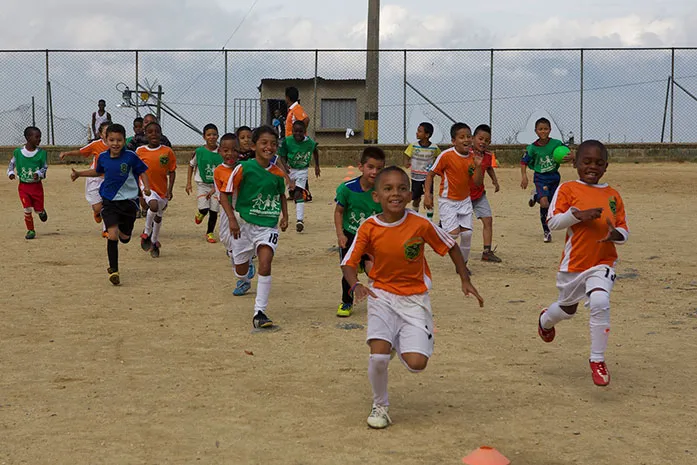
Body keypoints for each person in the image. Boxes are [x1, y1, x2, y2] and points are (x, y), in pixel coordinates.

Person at [341, 166, 484, 429]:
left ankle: (396, 342)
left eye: (401, 188)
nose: (395, 194)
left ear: (409, 195)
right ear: (376, 196)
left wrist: (465, 278)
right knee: (379, 357)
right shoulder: (368, 227)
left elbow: (450, 245)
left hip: (415, 299)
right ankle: (380, 406)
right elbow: (348, 263)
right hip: (381, 295)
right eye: (388, 189)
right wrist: (355, 285)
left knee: (417, 364)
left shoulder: (420, 223)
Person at [537, 140, 628, 387]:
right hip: (574, 265)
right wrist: (576, 215)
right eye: (586, 162)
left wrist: (616, 235)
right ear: (576, 163)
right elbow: (553, 222)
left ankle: (597, 360)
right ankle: (545, 320)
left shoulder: (613, 195)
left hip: (603, 262)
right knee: (567, 310)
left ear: (606, 166)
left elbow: (623, 230)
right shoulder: (567, 189)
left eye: (598, 163)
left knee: (600, 300)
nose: (592, 167)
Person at [223, 126, 289, 329]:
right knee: (241, 269)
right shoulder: (243, 168)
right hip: (243, 225)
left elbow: (281, 195)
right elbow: (224, 194)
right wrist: (232, 220)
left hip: (267, 226)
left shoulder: (278, 173)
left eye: (273, 144)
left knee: (266, 261)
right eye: (264, 143)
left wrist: (285, 216)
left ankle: (259, 311)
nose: (269, 147)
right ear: (253, 146)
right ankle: (243, 272)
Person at [70, 123, 150, 285]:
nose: (115, 143)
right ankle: (114, 270)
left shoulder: (131, 157)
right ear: (105, 140)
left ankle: (124, 232)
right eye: (111, 139)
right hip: (109, 201)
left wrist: (146, 187)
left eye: (119, 140)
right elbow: (98, 172)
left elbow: (142, 171)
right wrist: (79, 174)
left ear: (123, 140)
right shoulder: (103, 157)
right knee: (112, 234)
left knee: (125, 237)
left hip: (129, 202)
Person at [423, 123, 484, 272]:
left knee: (468, 234)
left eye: (469, 137)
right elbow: (430, 174)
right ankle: (437, 229)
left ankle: (462, 265)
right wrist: (427, 195)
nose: (466, 140)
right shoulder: (446, 155)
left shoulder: (473, 157)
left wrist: (478, 166)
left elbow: (477, 182)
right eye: (462, 137)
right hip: (448, 200)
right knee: (453, 235)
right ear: (453, 141)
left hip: (464, 200)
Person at [334, 147, 385, 317]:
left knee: (375, 270)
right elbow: (339, 212)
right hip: (350, 236)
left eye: (379, 168)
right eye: (370, 167)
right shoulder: (347, 188)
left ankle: (380, 300)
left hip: (373, 239)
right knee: (349, 269)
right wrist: (340, 234)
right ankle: (346, 302)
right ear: (361, 167)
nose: (374, 172)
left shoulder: (383, 192)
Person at [214, 133, 256, 294]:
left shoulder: (244, 168)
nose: (229, 154)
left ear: (239, 151)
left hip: (242, 212)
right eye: (225, 150)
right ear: (220, 151)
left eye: (233, 150)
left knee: (240, 243)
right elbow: (222, 193)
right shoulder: (218, 171)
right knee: (227, 241)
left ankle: (243, 280)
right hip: (226, 212)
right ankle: (245, 265)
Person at [521, 117, 573, 243]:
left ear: (550, 130)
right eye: (540, 129)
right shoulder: (533, 148)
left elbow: (568, 153)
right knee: (544, 203)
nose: (543, 132)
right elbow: (523, 162)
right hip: (540, 177)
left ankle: (536, 195)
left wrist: (572, 156)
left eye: (545, 129)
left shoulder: (556, 144)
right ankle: (546, 231)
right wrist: (524, 176)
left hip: (554, 176)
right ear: (536, 131)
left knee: (550, 204)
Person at [60, 121, 110, 233]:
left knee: (108, 205)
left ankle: (106, 229)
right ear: (100, 134)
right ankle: (97, 212)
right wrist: (67, 153)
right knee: (98, 207)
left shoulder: (117, 146)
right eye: (106, 132)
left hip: (108, 179)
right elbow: (81, 151)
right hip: (95, 178)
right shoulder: (96, 145)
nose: (108, 135)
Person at [136, 121, 177, 258]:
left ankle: (154, 241)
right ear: (145, 134)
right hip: (147, 187)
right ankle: (146, 232)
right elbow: (136, 171)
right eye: (150, 132)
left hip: (162, 189)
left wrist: (169, 190)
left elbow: (172, 171)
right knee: (152, 205)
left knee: (159, 216)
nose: (154, 134)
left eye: (157, 132)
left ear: (161, 134)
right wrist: (138, 190)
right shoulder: (140, 151)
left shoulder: (167, 151)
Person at [7, 127, 48, 239]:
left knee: (38, 209)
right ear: (28, 138)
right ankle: (30, 230)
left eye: (40, 137)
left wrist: (39, 173)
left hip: (36, 187)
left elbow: (44, 168)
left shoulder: (42, 153)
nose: (39, 140)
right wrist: (10, 172)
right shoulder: (18, 152)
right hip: (24, 186)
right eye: (37, 137)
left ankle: (41, 211)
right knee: (27, 208)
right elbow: (11, 164)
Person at [278, 120, 320, 232]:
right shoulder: (287, 141)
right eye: (295, 131)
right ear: (292, 131)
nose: (298, 134)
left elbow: (315, 151)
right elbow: (282, 155)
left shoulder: (309, 142)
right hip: (290, 170)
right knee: (292, 192)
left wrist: (317, 166)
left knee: (298, 193)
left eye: (300, 131)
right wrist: (285, 166)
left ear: (305, 132)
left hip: (302, 170)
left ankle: (299, 220)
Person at [469, 124, 502, 263]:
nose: (483, 142)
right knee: (458, 227)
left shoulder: (488, 156)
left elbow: (488, 168)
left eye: (487, 140)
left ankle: (487, 252)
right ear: (473, 139)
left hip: (479, 195)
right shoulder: (465, 153)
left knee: (488, 220)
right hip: (463, 196)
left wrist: (495, 181)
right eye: (480, 138)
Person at [186, 123, 223, 243]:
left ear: (217, 136)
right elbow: (191, 165)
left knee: (214, 210)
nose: (212, 137)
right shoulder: (199, 151)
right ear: (204, 137)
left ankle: (210, 233)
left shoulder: (222, 152)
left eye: (214, 135)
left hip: (216, 186)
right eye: (209, 135)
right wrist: (188, 183)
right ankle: (200, 213)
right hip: (203, 185)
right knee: (204, 208)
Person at [403, 122, 441, 217]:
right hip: (416, 177)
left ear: (427, 135)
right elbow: (406, 154)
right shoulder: (413, 146)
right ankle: (415, 216)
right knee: (416, 198)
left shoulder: (434, 148)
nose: (417, 133)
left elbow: (439, 157)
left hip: (428, 177)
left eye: (419, 131)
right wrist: (406, 162)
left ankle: (430, 219)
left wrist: (437, 167)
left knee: (429, 197)